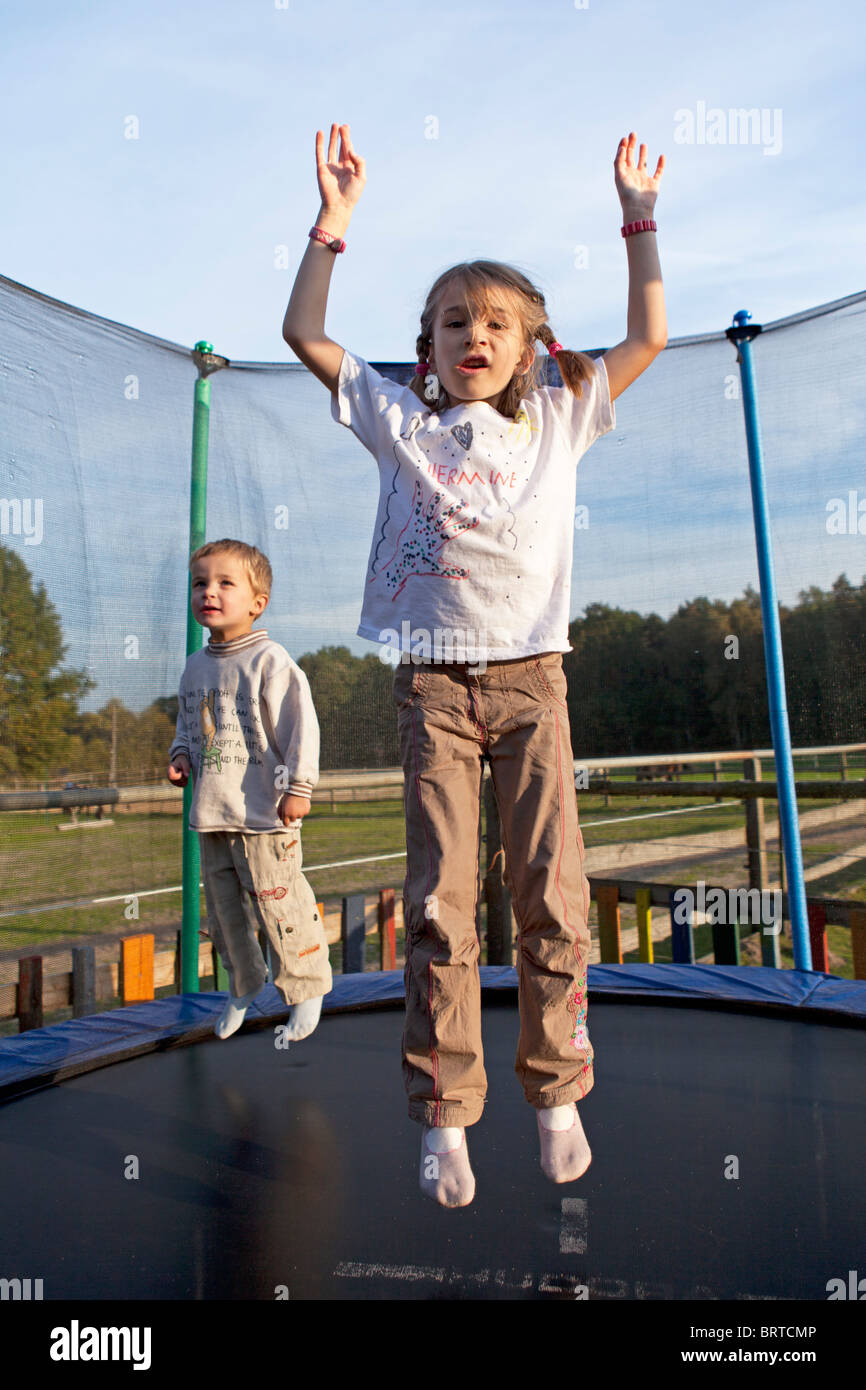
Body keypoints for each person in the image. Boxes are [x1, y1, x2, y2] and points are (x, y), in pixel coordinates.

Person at [282, 124, 666, 1207]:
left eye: (495, 321)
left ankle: (555, 1090)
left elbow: (647, 333)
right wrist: (335, 221)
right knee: (443, 909)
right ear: (428, 347)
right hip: (435, 690)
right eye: (454, 320)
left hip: (534, 680)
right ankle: (446, 1113)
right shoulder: (398, 422)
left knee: (552, 893)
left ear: (530, 347)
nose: (473, 335)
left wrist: (636, 218)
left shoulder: (556, 420)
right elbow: (301, 326)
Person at [167, 539, 331, 1042]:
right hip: (212, 813)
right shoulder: (196, 666)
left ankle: (306, 989)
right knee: (223, 914)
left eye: (224, 583)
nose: (208, 592)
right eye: (200, 583)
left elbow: (301, 725)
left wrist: (299, 786)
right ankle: (244, 982)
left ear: (257, 601)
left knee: (279, 906)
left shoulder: (269, 659)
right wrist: (178, 756)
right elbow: (187, 723)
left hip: (265, 814)